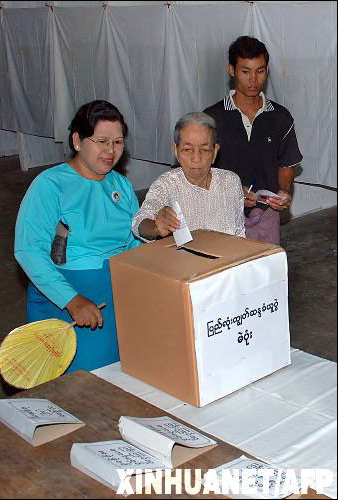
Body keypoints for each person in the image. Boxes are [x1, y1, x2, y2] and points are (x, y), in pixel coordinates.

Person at [15, 100, 142, 372]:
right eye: (102, 141)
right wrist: (71, 300)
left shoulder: (121, 185)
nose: (111, 151)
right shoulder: (50, 185)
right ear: (77, 140)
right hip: (66, 298)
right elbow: (28, 251)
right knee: (78, 386)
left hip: (116, 293)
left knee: (125, 376)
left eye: (118, 142)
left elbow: (134, 242)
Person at [204, 36, 303, 244]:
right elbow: (197, 170)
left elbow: (286, 164)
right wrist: (232, 191)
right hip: (222, 215)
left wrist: (283, 190)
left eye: (260, 71)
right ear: (231, 70)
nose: (253, 80)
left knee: (266, 273)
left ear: (267, 70)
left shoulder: (280, 117)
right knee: (228, 273)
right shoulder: (211, 118)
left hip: (266, 216)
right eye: (245, 71)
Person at [132, 112, 245, 241]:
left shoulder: (230, 182)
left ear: (215, 152)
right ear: (176, 151)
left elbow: (240, 234)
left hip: (229, 258)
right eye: (187, 149)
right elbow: (139, 224)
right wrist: (156, 227)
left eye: (205, 149)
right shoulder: (167, 184)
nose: (196, 158)